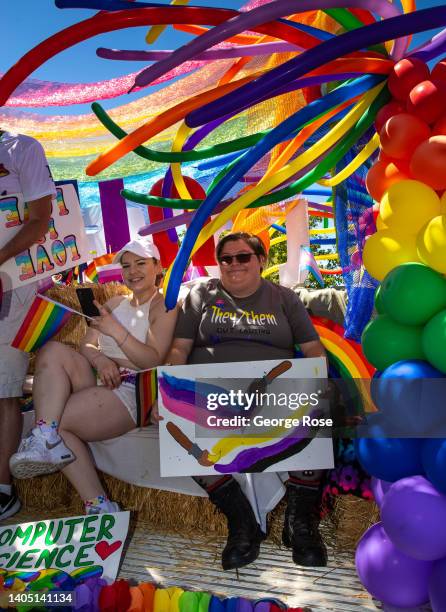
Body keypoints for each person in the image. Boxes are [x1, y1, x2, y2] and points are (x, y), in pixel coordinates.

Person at [166, 232, 329, 570]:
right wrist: (167, 388)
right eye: (226, 258)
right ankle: (241, 522)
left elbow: (313, 350)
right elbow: (179, 349)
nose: (234, 264)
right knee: (176, 425)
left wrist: (318, 381)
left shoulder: (283, 298)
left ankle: (300, 523)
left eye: (243, 257)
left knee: (320, 408)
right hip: (211, 393)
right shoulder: (201, 294)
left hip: (271, 390)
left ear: (261, 261)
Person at [10, 238, 178, 515]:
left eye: (141, 263)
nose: (132, 271)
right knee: (52, 350)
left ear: (158, 267)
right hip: (101, 379)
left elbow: (152, 360)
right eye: (126, 265)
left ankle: (99, 505)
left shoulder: (165, 307)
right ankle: (45, 433)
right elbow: (86, 345)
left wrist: (114, 334)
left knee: (60, 422)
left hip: (135, 388)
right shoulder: (114, 302)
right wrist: (100, 359)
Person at [0, 130, 55, 521]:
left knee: (4, 390)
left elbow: (40, 221)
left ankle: (3, 490)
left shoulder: (22, 148)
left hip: (11, 285)